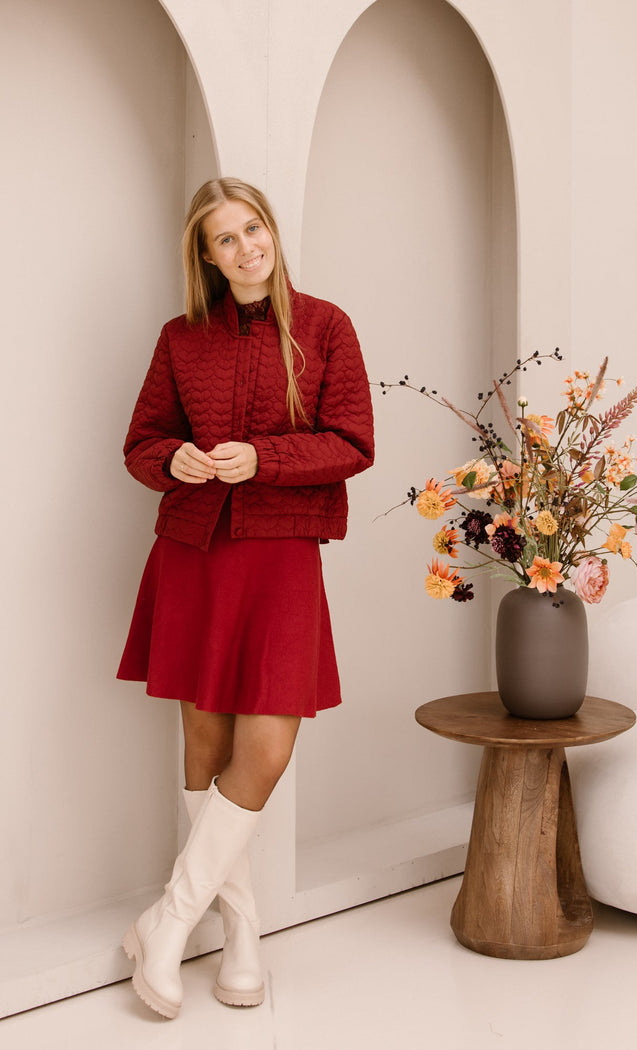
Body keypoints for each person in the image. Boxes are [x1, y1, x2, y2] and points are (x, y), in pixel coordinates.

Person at [117, 177, 374, 1019]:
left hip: (282, 557)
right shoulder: (179, 338)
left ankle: (167, 921)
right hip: (193, 553)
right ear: (206, 256)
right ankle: (240, 935)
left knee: (263, 748)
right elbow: (142, 441)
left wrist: (264, 459)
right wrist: (173, 460)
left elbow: (353, 442)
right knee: (206, 737)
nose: (245, 247)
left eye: (252, 228)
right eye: (224, 239)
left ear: (271, 230)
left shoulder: (327, 326)